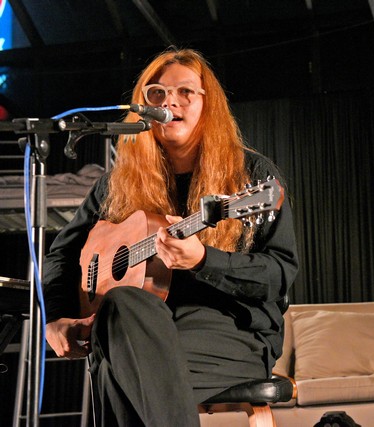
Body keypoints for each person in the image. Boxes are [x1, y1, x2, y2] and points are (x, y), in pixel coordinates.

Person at [43, 48, 299, 426]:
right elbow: (62, 255)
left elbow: (279, 272)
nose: (169, 102)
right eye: (157, 93)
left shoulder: (251, 175)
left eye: (185, 92)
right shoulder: (116, 184)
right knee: (122, 310)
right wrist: (56, 317)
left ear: (208, 105)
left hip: (228, 331)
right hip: (134, 332)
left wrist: (203, 260)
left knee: (116, 367)